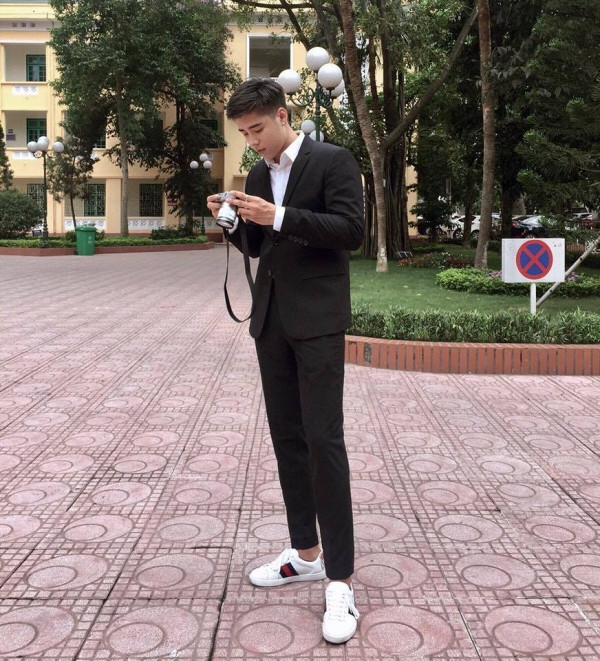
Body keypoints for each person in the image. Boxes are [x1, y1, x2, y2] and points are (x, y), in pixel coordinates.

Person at [207, 77, 364, 645]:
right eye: (243, 134)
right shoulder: (256, 175)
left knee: (324, 441)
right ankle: (306, 553)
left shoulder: (332, 160)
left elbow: (351, 232)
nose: (252, 142)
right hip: (271, 321)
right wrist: (233, 223)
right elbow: (260, 247)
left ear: (282, 115)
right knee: (287, 440)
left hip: (318, 320)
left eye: (257, 130)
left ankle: (340, 579)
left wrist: (278, 215)